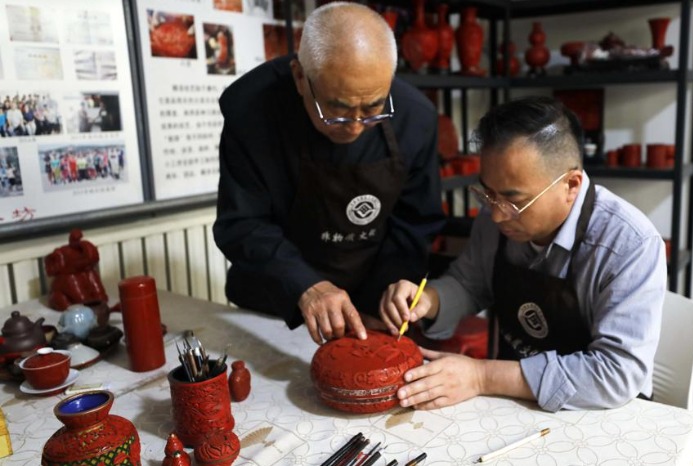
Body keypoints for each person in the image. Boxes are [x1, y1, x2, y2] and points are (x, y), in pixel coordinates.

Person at [380, 96, 666, 413]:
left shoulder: (629, 243)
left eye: (514, 201)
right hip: (519, 403)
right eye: (487, 193)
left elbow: (616, 374)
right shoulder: (495, 217)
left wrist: (482, 376)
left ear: (571, 184)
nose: (498, 215)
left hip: (604, 414)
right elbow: (469, 282)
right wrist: (429, 299)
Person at [213, 2, 444, 344]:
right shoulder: (252, 111)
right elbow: (242, 223)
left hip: (369, 301)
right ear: (300, 77)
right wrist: (304, 285)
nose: (355, 126)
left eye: (373, 108)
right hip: (276, 299)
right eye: (337, 108)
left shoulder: (415, 117)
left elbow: (415, 222)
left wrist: (388, 293)